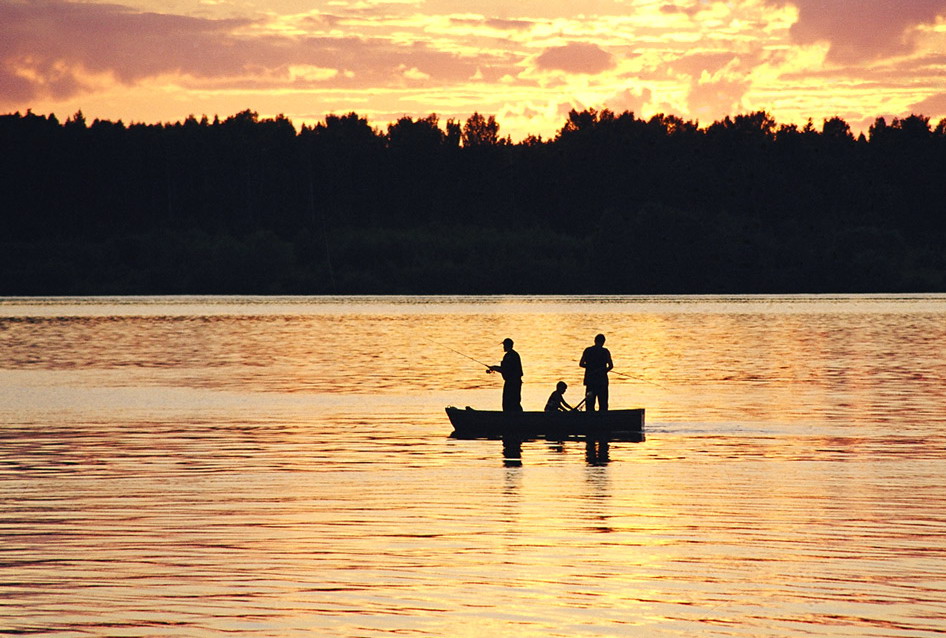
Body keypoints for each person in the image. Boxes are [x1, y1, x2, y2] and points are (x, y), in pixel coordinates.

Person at [579, 333, 613, 411]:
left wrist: (590, 367)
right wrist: (604, 371)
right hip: (602, 381)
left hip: (590, 381)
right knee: (603, 404)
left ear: (595, 341)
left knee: (590, 404)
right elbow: (611, 366)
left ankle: (590, 421)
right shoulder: (605, 351)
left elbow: (581, 364)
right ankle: (603, 421)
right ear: (603, 342)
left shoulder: (587, 350)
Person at [488, 337, 523, 412]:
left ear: (507, 345)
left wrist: (494, 368)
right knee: (513, 402)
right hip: (513, 382)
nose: (503, 347)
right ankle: (516, 417)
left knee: (510, 402)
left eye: (504, 345)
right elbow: (505, 369)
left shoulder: (510, 356)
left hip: (512, 383)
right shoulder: (513, 355)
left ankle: (513, 418)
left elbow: (505, 369)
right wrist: (494, 368)